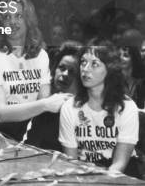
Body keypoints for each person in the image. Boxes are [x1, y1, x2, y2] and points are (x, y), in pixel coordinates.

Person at [0, 0, 72, 140]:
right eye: (7, 17)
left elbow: (43, 103)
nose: (13, 22)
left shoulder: (41, 55)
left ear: (28, 20)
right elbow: (1, 114)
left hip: (27, 127)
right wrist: (45, 104)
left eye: (18, 16)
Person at [59, 39, 140, 177]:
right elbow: (71, 162)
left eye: (94, 64)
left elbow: (119, 164)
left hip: (120, 174)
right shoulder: (69, 107)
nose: (85, 68)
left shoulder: (127, 107)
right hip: (83, 173)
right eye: (83, 62)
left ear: (110, 69)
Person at [25, 42, 81, 150]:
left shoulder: (81, 109)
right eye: (62, 68)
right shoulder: (44, 100)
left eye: (72, 71)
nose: (64, 74)